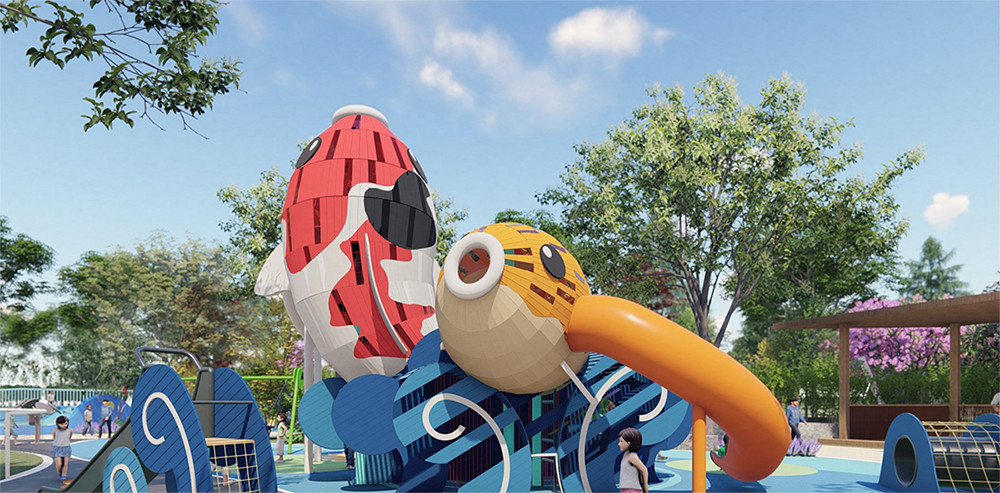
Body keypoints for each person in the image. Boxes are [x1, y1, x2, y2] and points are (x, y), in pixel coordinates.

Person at [617, 427, 648, 493]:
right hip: (625, 489)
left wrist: (645, 487)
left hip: (632, 490)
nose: (619, 444)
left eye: (621, 441)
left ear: (629, 443)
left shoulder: (632, 456)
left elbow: (644, 470)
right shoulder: (626, 454)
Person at [52, 415, 73, 481]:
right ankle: (59, 472)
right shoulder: (55, 430)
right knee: (59, 464)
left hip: (66, 447)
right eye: (62, 424)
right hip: (57, 448)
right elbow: (54, 438)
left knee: (66, 463)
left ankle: (64, 475)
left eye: (65, 423)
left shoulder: (70, 430)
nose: (64, 425)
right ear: (58, 424)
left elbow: (69, 438)